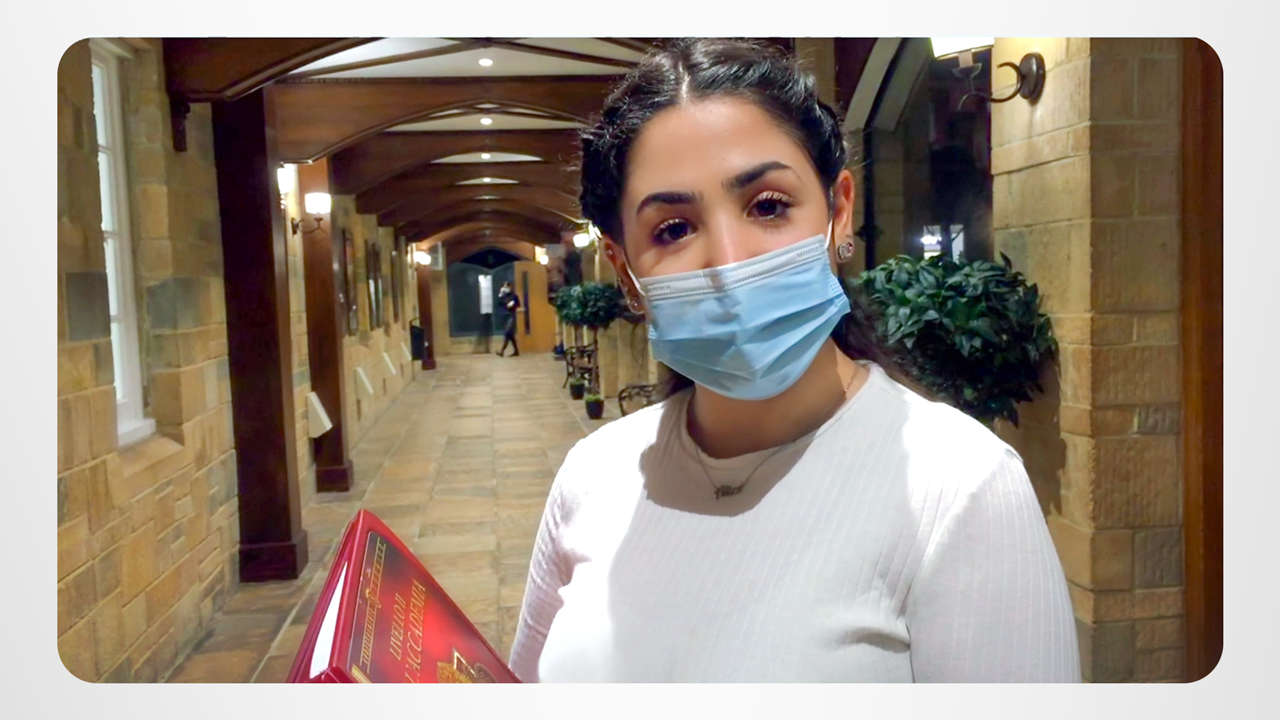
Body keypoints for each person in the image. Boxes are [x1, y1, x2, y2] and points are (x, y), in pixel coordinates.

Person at [508, 38, 1079, 683]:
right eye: (673, 229)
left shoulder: (960, 486)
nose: (729, 260)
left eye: (768, 206)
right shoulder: (592, 476)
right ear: (625, 271)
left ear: (839, 213)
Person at [496, 280, 521, 357]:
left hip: (511, 316)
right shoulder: (503, 296)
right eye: (504, 286)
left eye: (506, 286)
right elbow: (499, 304)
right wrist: (500, 295)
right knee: (510, 335)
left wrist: (513, 304)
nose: (505, 288)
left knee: (507, 333)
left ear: (510, 287)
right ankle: (516, 351)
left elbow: (518, 304)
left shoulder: (514, 296)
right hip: (505, 317)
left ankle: (502, 351)